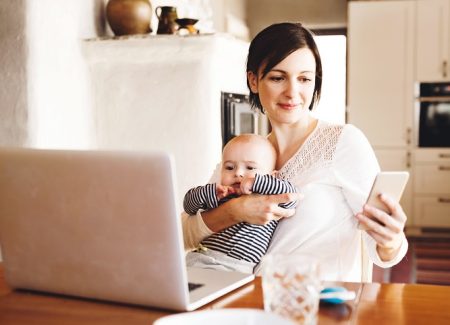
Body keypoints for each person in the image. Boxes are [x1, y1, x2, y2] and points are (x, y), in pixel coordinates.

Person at [182, 22, 408, 282]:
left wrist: (390, 241)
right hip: (244, 300)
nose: (292, 92)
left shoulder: (343, 142)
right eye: (278, 78)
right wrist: (236, 210)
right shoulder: (243, 153)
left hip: (314, 306)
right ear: (253, 80)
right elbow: (185, 233)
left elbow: (384, 251)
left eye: (304, 79)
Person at [183, 134, 297, 274]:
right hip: (199, 259)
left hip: (236, 268)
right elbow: (188, 206)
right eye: (229, 167)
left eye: (250, 168)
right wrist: (209, 191)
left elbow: (290, 196)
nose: (238, 173)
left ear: (271, 176)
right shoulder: (221, 194)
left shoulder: (269, 197)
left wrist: (256, 181)